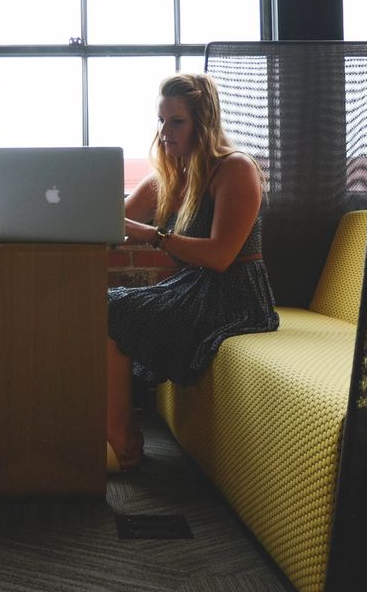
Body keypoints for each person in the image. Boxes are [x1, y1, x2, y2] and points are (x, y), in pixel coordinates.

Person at [106, 73, 279, 472]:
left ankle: (122, 442)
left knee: (112, 310)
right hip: (193, 288)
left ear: (203, 122)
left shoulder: (234, 169)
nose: (165, 131)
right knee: (104, 305)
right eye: (161, 120)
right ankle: (119, 434)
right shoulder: (168, 176)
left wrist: (155, 236)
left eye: (176, 121)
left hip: (236, 295)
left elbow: (220, 256)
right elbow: (111, 223)